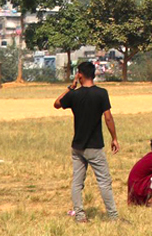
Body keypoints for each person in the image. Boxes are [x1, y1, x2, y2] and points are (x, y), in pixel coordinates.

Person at [54, 62, 119, 222]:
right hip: (95, 145)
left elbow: (57, 104)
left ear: (80, 75)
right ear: (94, 74)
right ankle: (113, 216)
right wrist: (114, 138)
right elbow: (108, 117)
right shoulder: (101, 93)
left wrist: (71, 86)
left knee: (77, 182)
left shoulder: (74, 95)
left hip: (77, 146)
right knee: (104, 182)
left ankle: (80, 216)